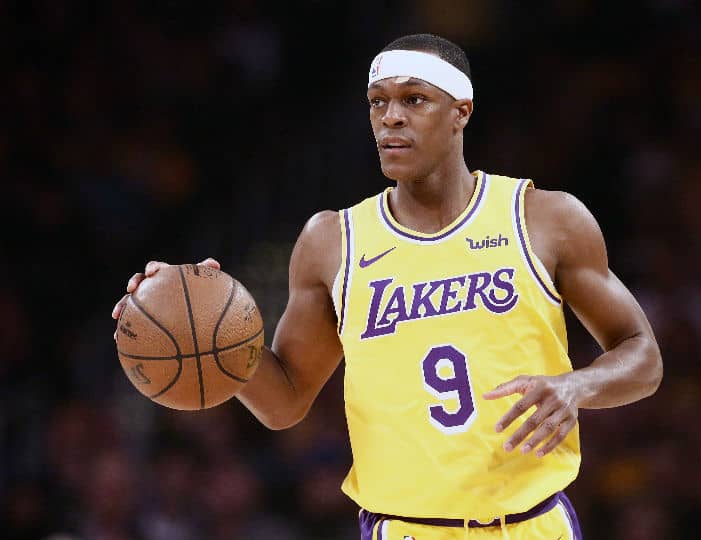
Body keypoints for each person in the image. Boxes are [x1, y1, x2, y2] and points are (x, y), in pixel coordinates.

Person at [112, 33, 662, 539]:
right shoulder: (332, 241)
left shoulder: (544, 219)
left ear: (461, 111)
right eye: (378, 102)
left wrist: (577, 387)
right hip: (403, 530)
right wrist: (205, 324)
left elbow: (643, 355)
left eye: (414, 100)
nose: (390, 117)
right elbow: (285, 403)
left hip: (531, 525)